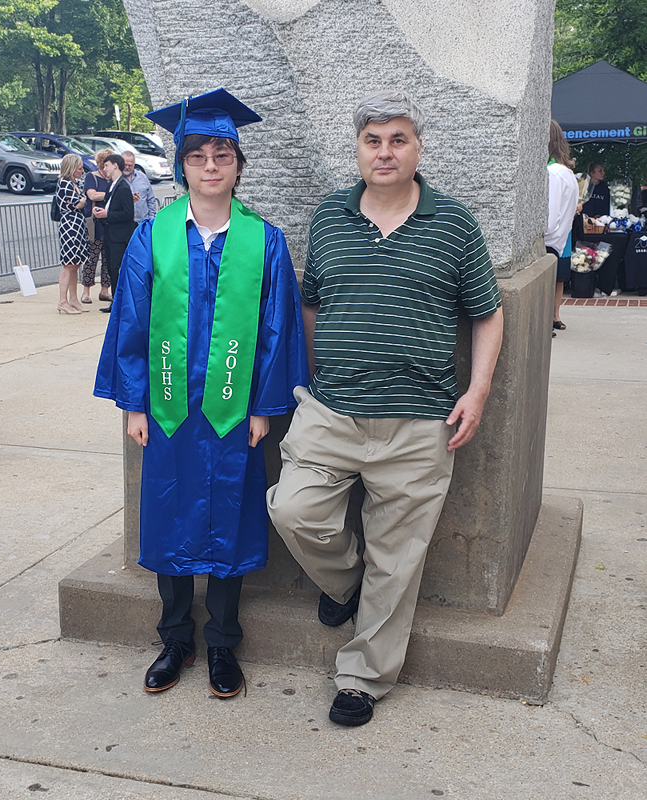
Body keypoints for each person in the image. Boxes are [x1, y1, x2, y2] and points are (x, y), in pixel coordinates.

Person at [267, 90, 504, 727]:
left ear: (418, 148)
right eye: (373, 140)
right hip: (332, 413)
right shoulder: (329, 218)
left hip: (421, 423)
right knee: (293, 510)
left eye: (398, 139)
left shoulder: (454, 225)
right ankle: (346, 586)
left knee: (399, 559)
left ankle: (362, 679)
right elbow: (311, 302)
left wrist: (476, 390)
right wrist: (323, 373)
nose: (385, 151)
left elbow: (487, 311)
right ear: (359, 149)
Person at [94, 88, 308, 699]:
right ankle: (174, 639)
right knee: (167, 514)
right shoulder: (152, 236)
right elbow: (130, 323)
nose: (210, 165)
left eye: (223, 153)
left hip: (232, 410)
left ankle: (222, 644)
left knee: (232, 518)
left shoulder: (263, 241)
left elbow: (277, 330)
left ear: (238, 164)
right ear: (182, 165)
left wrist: (266, 408)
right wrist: (134, 402)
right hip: (167, 405)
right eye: (197, 154)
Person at [545, 120, 579, 333]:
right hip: (557, 243)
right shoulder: (566, 172)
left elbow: (550, 217)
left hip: (548, 242)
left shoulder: (554, 173)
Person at [93, 153, 136, 313]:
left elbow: (127, 214)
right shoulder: (111, 185)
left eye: (106, 165)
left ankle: (120, 302)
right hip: (110, 233)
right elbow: (110, 207)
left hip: (120, 236)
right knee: (111, 268)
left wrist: (107, 215)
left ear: (115, 166)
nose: (105, 169)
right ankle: (116, 300)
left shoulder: (123, 187)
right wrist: (101, 213)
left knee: (116, 268)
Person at [55, 154, 90, 314]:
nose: (82, 171)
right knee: (68, 264)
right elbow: (75, 203)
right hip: (69, 226)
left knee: (75, 264)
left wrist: (80, 203)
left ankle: (73, 298)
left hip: (78, 224)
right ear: (71, 168)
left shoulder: (75, 184)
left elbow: (81, 202)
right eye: (79, 168)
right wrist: (79, 203)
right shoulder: (63, 184)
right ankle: (63, 300)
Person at [81, 149, 113, 305]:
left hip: (109, 222)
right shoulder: (91, 177)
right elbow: (91, 195)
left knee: (108, 258)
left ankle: (105, 290)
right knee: (91, 258)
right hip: (95, 224)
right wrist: (110, 194)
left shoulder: (113, 180)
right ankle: (86, 291)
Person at [122, 151, 157, 224]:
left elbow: (151, 199)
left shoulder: (142, 177)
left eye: (130, 165)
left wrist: (151, 218)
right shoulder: (117, 179)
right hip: (124, 225)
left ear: (134, 164)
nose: (127, 167)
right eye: (125, 164)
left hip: (142, 223)